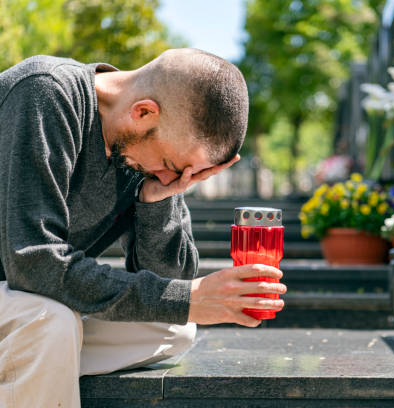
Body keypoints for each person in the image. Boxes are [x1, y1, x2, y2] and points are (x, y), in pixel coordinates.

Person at [0, 48, 286, 408]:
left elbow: (171, 279)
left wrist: (158, 201)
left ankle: (36, 367)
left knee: (173, 327)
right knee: (50, 322)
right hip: (23, 293)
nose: (169, 177)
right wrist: (189, 298)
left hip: (20, 303)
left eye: (187, 174)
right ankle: (39, 360)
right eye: (171, 165)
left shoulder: (145, 152)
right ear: (144, 111)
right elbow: (33, 263)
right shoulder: (46, 92)